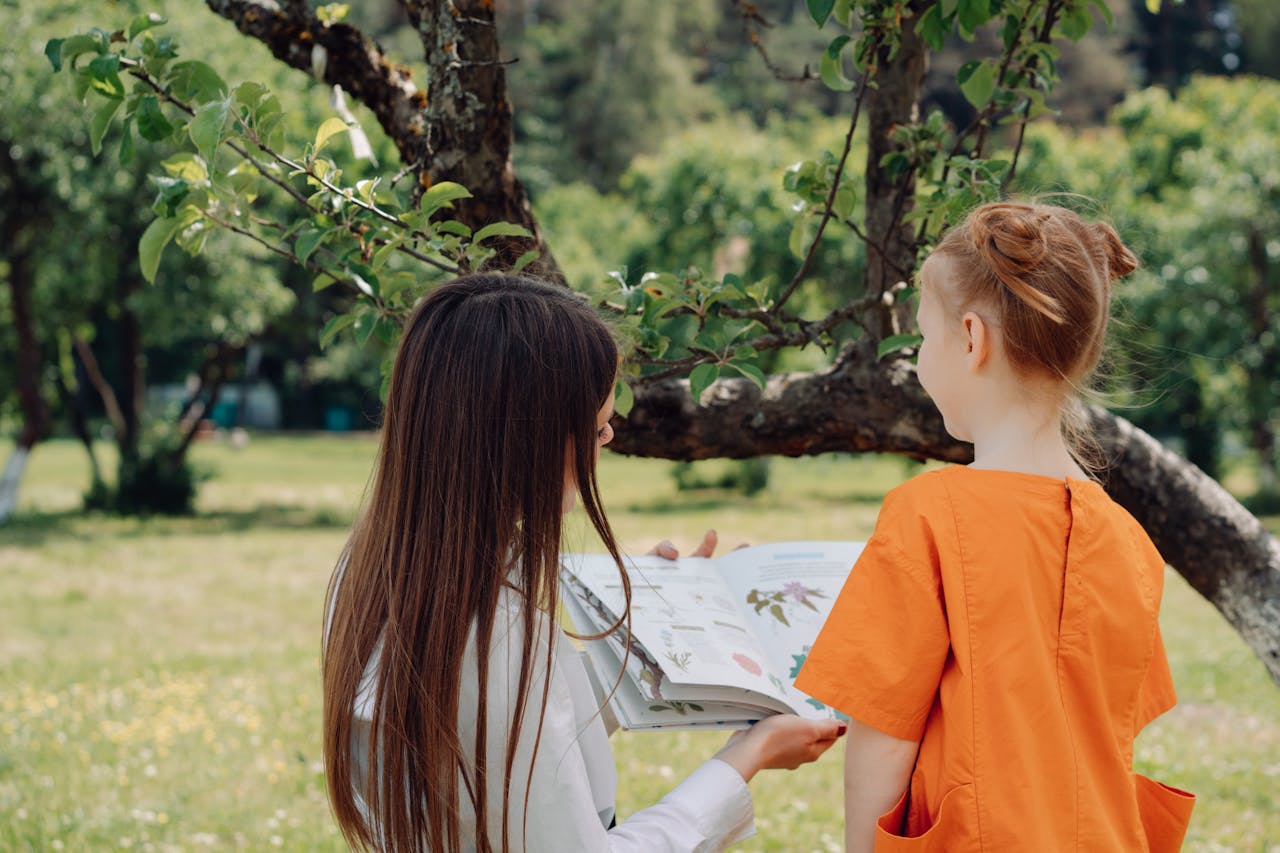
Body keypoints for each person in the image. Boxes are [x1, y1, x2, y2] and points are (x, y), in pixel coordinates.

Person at [322, 273, 844, 853]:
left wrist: (652, 627)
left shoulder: (380, 570)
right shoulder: (495, 629)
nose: (609, 438)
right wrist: (745, 758)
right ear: (525, 443)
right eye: (595, 428)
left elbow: (508, 741)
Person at [794, 201, 1196, 852]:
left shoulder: (927, 514)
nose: (921, 356)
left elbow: (884, 736)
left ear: (973, 340)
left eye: (925, 336)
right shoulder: (1129, 541)